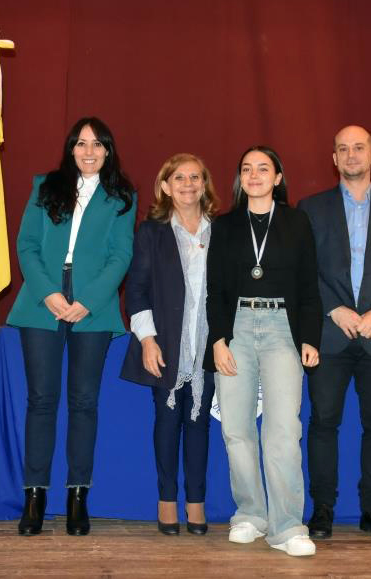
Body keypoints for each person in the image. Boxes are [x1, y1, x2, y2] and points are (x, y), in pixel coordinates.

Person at [6, 116, 136, 536]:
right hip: (41, 300)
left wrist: (88, 302)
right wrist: (47, 292)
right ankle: (35, 497)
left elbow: (121, 255)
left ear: (108, 151)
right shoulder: (45, 187)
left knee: (84, 403)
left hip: (92, 307)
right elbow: (26, 244)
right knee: (41, 401)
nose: (89, 151)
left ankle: (78, 496)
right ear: (70, 149)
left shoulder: (122, 197)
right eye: (81, 143)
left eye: (97, 144)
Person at [297, 125, 371, 542]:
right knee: (323, 423)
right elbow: (303, 267)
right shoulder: (311, 209)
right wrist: (333, 308)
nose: (351, 155)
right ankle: (323, 509)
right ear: (334, 159)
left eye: (359, 148)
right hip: (329, 334)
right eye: (343, 149)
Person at [205, 145, 322, 557]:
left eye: (263, 169)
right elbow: (215, 290)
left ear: (277, 178)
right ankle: (250, 514)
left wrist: (310, 338)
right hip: (236, 328)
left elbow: (309, 286)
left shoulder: (296, 222)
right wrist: (218, 340)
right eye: (246, 169)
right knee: (236, 428)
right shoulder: (224, 225)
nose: (254, 175)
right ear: (240, 178)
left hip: (282, 330)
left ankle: (287, 526)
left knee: (284, 430)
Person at [121, 153, 219, 536]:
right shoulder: (152, 232)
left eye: (195, 177)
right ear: (165, 186)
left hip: (207, 344)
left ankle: (196, 504)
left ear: (204, 184)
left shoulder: (220, 230)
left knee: (198, 424)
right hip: (165, 344)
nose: (188, 184)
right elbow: (137, 290)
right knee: (167, 421)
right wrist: (147, 340)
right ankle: (166, 501)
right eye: (179, 178)